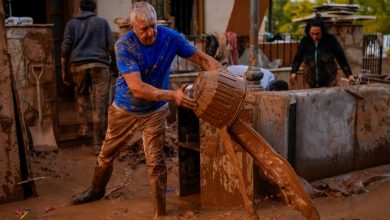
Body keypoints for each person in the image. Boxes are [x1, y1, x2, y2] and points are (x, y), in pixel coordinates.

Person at [70, 2, 222, 218]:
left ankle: (159, 213)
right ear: (133, 27)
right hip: (125, 109)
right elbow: (138, 88)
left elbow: (202, 59)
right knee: (106, 156)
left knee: (156, 163)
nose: (150, 33)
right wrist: (173, 95)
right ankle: (95, 190)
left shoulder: (171, 38)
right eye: (144, 29)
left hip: (155, 111)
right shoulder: (124, 45)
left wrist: (225, 76)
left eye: (153, 26)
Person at [61, 0, 115, 154]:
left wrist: (64, 72)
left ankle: (84, 125)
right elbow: (111, 47)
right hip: (100, 66)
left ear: (80, 8)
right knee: (99, 105)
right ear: (95, 9)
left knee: (82, 95)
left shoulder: (71, 24)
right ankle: (97, 144)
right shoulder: (103, 23)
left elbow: (65, 49)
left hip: (79, 67)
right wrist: (114, 66)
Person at [290, 16, 354, 88]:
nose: (314, 37)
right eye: (312, 33)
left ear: (323, 31)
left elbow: (341, 57)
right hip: (309, 81)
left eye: (317, 34)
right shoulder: (305, 41)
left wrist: (349, 74)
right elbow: (298, 57)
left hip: (329, 81)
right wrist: (293, 71)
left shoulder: (330, 40)